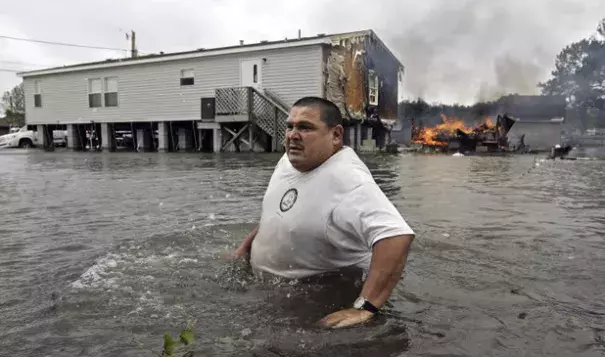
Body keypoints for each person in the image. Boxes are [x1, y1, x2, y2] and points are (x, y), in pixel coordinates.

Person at [232, 96, 415, 329]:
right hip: (266, 287)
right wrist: (244, 250)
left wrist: (365, 307)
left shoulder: (348, 181)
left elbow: (396, 236)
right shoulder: (290, 161)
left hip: (313, 298)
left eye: (305, 128)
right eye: (290, 126)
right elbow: (276, 213)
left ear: (336, 135)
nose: (292, 135)